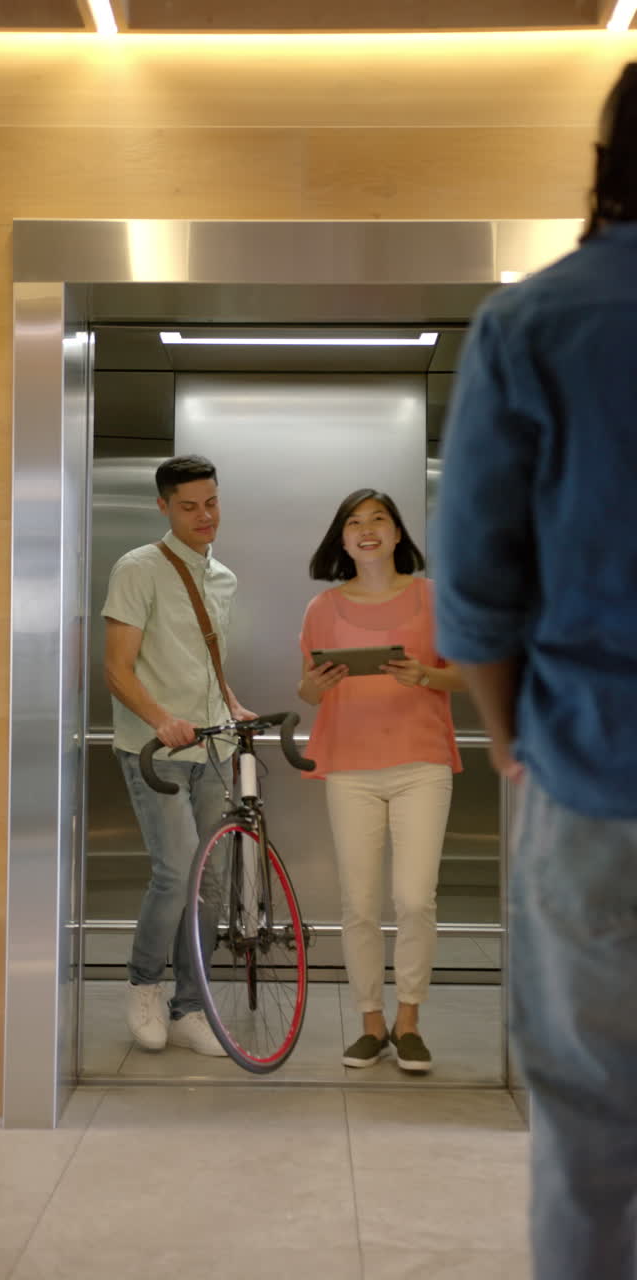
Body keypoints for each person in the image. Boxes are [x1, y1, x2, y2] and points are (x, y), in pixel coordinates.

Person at [433, 63, 637, 1280]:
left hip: (595, 774)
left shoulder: (537, 323)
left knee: (589, 1136)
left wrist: (512, 739)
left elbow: (473, 595)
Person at [298, 489, 464, 1071]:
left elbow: (471, 674)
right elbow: (306, 689)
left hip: (422, 764)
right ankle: (371, 1023)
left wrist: (426, 676)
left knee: (415, 899)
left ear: (397, 534)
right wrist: (316, 686)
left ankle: (408, 1020)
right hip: (350, 769)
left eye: (378, 520)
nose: (366, 529)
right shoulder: (322, 608)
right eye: (354, 522)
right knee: (360, 904)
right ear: (342, 540)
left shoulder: (434, 598)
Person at [102, 453, 254, 1056]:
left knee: (210, 881)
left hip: (213, 746)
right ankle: (144, 985)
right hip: (156, 750)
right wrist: (162, 720)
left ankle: (191, 1006)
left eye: (211, 503)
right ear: (163, 506)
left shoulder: (225, 578)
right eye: (189, 506)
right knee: (176, 871)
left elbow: (205, 663)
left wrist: (231, 704)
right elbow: (117, 669)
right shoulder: (137, 568)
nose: (204, 515)